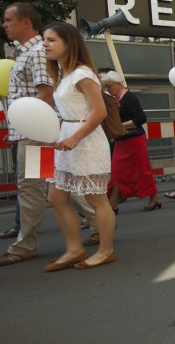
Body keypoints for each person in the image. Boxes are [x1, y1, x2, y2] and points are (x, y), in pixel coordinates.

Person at [0, 4, 94, 267]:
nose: (4, 25)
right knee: (57, 183)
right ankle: (100, 223)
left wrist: (31, 130)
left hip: (37, 132)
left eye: (8, 20)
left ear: (26, 22)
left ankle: (25, 246)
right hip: (34, 130)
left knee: (34, 187)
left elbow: (46, 95)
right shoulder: (29, 52)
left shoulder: (37, 52)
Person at [39, 22, 115, 271]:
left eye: (51, 40)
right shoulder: (63, 73)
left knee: (96, 199)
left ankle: (106, 250)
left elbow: (100, 111)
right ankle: (74, 248)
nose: (45, 44)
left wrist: (75, 137)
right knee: (56, 197)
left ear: (68, 43)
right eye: (44, 39)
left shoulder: (83, 73)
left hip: (85, 139)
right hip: (66, 137)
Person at [100, 71, 161, 212]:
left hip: (134, 140)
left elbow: (141, 118)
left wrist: (120, 126)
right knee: (115, 173)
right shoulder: (117, 99)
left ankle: (153, 198)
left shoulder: (129, 97)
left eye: (109, 86)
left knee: (142, 171)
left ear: (117, 84)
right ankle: (113, 203)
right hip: (122, 141)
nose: (108, 90)